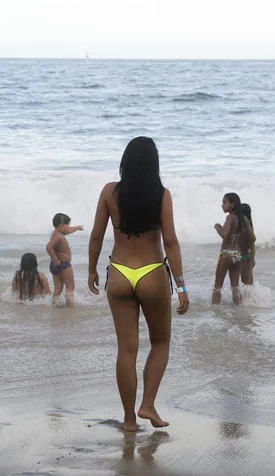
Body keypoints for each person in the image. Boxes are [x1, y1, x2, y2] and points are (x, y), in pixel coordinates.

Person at [87, 136, 189, 431]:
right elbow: (170, 241)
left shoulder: (109, 192)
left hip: (118, 273)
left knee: (126, 349)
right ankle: (148, 404)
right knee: (160, 342)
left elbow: (96, 235)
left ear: (126, 161)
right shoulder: (162, 195)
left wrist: (92, 269)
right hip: (152, 273)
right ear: (153, 164)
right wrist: (181, 287)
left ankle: (129, 420)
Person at [212, 193, 254, 305]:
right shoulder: (243, 219)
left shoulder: (230, 217)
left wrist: (218, 227)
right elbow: (253, 238)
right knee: (235, 286)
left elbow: (224, 234)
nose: (222, 205)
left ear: (233, 204)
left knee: (217, 287)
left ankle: (214, 310)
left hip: (226, 253)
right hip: (237, 254)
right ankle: (238, 310)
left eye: (225, 203)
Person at [45, 213, 83, 307]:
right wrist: (55, 259)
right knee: (70, 286)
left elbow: (68, 230)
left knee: (58, 288)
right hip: (63, 265)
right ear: (61, 225)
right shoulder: (58, 236)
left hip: (56, 265)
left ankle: (55, 305)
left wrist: (77, 227)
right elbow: (49, 247)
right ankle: (69, 307)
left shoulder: (58, 233)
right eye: (68, 225)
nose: (69, 227)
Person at [239, 203, 256, 285]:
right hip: (247, 258)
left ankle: (251, 297)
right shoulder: (248, 226)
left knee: (246, 283)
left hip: (246, 259)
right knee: (247, 283)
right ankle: (252, 297)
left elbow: (252, 246)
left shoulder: (246, 228)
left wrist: (250, 264)